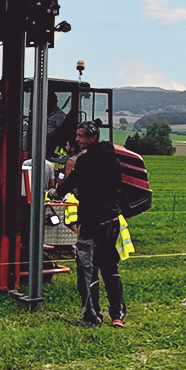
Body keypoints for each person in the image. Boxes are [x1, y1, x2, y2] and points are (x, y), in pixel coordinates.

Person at [51, 121, 126, 327]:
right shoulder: (113, 159)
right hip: (112, 221)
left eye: (81, 135)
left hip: (92, 222)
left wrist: (55, 193)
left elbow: (70, 183)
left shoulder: (86, 161)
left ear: (93, 137)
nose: (77, 139)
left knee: (87, 271)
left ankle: (92, 316)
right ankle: (117, 315)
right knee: (110, 267)